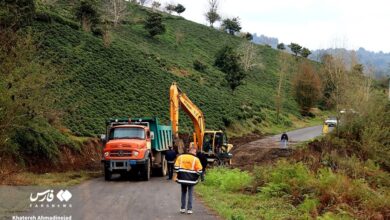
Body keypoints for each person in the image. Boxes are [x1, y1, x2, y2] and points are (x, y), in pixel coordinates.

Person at [174, 147, 203, 214]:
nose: (195, 153)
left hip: (182, 179)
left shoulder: (180, 157)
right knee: (190, 194)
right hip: (191, 180)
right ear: (192, 152)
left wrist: (178, 174)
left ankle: (182, 209)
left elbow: (176, 168)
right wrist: (195, 176)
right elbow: (200, 170)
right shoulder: (196, 159)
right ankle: (189, 209)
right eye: (195, 152)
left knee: (183, 193)